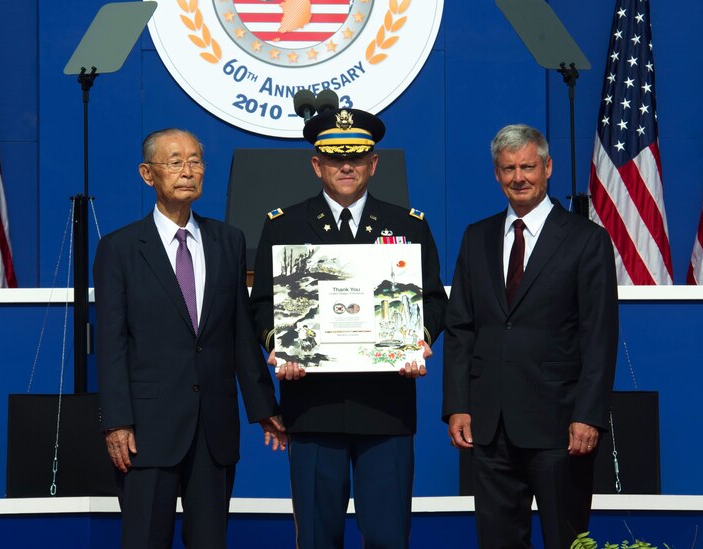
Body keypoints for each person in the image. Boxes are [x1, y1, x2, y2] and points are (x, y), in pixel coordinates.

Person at [250, 105, 447, 549]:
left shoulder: (407, 225)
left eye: (356, 157)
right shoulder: (284, 226)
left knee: (388, 537)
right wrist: (282, 345)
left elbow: (434, 300)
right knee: (318, 539)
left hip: (386, 406)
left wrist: (419, 340)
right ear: (316, 164)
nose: (346, 166)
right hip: (313, 405)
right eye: (335, 157)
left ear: (373, 164)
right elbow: (262, 303)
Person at [94, 128, 286, 549]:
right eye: (175, 161)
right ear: (148, 174)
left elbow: (238, 333)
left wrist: (263, 405)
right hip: (146, 430)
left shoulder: (227, 241)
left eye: (196, 161)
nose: (188, 171)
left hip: (213, 430)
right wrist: (117, 421)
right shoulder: (120, 249)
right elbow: (111, 344)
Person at [442, 124, 619, 549]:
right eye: (508, 169)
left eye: (527, 167)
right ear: (496, 174)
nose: (518, 177)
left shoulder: (586, 240)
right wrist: (458, 405)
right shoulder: (476, 237)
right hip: (490, 426)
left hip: (561, 426)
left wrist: (588, 415)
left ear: (548, 167)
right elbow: (461, 327)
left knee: (566, 539)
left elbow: (599, 335)